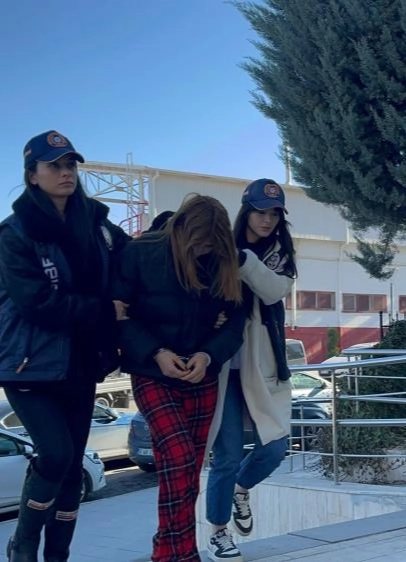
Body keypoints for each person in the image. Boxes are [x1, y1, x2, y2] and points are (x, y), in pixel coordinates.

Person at [0, 130, 129, 562]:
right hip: (28, 365)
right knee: (56, 455)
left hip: (80, 363)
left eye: (70, 165)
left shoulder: (97, 227)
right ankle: (23, 544)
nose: (65, 173)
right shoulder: (14, 234)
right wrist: (105, 311)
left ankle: (58, 555)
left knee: (71, 467)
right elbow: (37, 303)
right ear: (33, 175)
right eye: (54, 166)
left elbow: (136, 259)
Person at [112, 194, 248, 562]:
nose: (205, 251)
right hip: (151, 371)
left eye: (212, 245)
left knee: (188, 470)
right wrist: (156, 352)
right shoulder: (140, 254)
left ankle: (171, 550)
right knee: (178, 457)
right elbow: (119, 317)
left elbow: (235, 323)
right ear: (182, 231)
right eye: (200, 243)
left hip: (202, 374)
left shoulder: (224, 259)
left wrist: (208, 355)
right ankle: (177, 553)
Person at [205, 178, 297, 562]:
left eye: (274, 213)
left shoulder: (280, 253)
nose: (267, 219)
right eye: (260, 211)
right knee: (226, 456)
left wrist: (244, 261)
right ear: (246, 211)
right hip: (222, 367)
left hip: (264, 367)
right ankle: (218, 534)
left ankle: (240, 490)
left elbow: (274, 290)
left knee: (275, 448)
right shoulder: (217, 248)